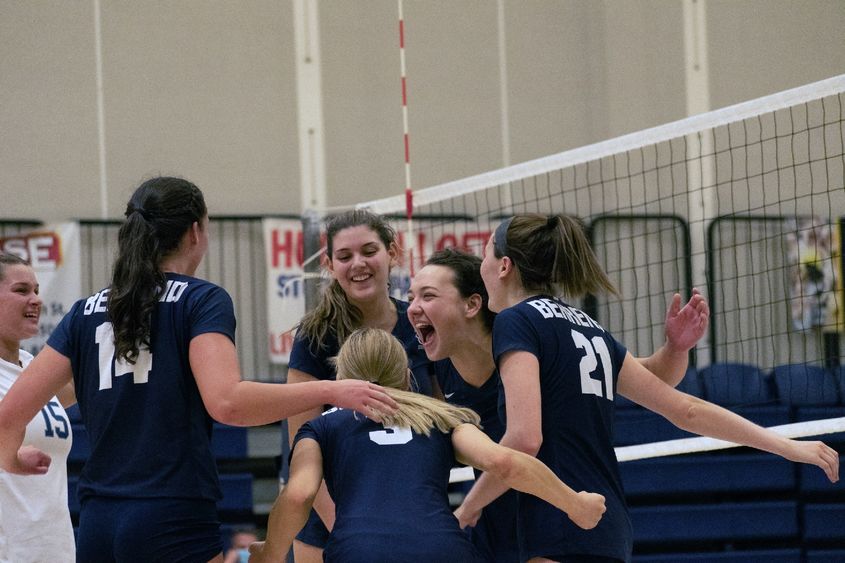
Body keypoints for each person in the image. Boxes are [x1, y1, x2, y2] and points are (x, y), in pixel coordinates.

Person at [0, 177, 396, 562]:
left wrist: (11, 459)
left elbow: (8, 416)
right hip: (171, 519)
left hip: (98, 524)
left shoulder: (84, 312)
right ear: (195, 232)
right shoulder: (201, 300)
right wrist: (331, 391)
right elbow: (228, 403)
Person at [455, 214, 839, 563]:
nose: (482, 265)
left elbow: (523, 440)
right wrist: (785, 445)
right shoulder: (587, 325)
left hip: (560, 518)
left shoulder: (516, 321)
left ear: (504, 265)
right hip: (610, 526)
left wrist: (469, 508)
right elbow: (681, 405)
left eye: (486, 253)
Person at [406, 247, 709, 562]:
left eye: (427, 296)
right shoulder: (438, 363)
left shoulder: (528, 336)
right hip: (494, 521)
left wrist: (676, 348)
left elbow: (652, 378)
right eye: (412, 297)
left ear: (472, 304)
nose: (413, 308)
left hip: (562, 515)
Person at [249, 328, 607, 563]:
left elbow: (298, 496)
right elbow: (504, 462)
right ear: (407, 376)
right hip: (443, 550)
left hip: (360, 551)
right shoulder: (441, 418)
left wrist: (271, 554)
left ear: (341, 377)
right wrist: (575, 503)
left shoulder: (320, 427)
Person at [285, 209, 435, 562]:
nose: (358, 264)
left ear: (392, 253)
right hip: (330, 519)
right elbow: (301, 447)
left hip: (409, 514)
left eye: (369, 251)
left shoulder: (420, 325)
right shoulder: (315, 336)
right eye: (345, 256)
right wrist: (346, 527)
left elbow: (441, 420)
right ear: (329, 264)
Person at [0, 253, 76, 563]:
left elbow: (82, 390)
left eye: (36, 290)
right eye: (21, 291)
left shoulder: (34, 369)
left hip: (55, 550)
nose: (35, 300)